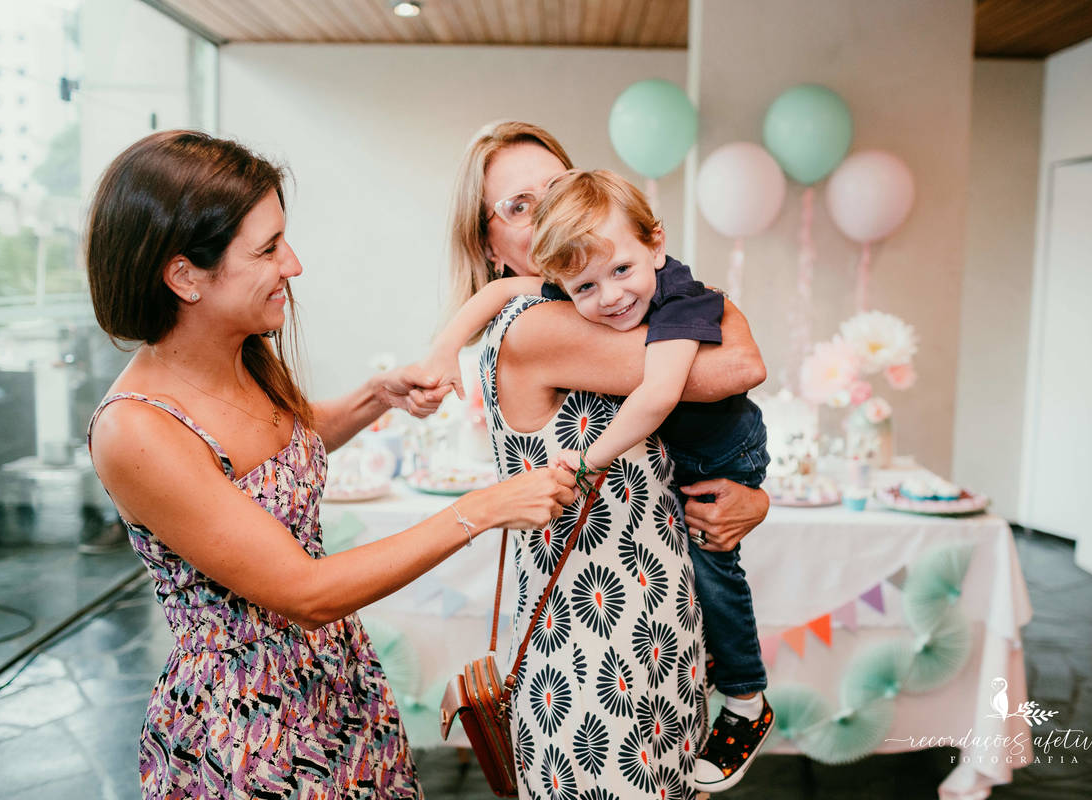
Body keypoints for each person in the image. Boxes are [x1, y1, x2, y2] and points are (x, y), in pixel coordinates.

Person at [83, 130, 576, 799]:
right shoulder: (137, 429)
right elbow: (304, 593)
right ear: (184, 276)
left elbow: (276, 445)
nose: (294, 264)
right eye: (266, 249)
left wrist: (377, 397)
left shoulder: (243, 350)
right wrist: (483, 508)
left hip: (336, 687)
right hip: (251, 732)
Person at [438, 121, 770, 797]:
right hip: (593, 660)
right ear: (490, 243)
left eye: (556, 190)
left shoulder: (592, 307)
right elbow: (736, 364)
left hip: (659, 635)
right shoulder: (545, 326)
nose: (547, 213)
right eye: (518, 207)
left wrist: (749, 495)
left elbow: (672, 450)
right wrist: (697, 300)